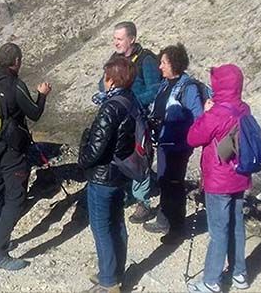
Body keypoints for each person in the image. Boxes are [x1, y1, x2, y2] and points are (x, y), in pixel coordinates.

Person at [0, 43, 51, 271]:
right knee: (15, 199)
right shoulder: (15, 85)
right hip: (12, 152)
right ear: (18, 61)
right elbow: (35, 113)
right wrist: (42, 95)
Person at [186, 64, 252, 293]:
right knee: (236, 226)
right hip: (240, 176)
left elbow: (193, 138)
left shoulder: (216, 113)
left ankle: (211, 281)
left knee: (218, 230)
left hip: (218, 180)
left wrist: (205, 112)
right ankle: (239, 275)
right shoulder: (244, 109)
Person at [79, 56, 139, 293]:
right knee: (117, 223)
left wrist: (82, 161)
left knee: (101, 227)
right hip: (122, 172)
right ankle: (115, 270)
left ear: (112, 81)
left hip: (103, 176)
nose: (103, 81)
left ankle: (108, 282)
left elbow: (96, 148)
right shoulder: (130, 100)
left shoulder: (111, 107)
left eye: (105, 77)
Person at [93, 21, 161, 224]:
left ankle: (142, 201)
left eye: (119, 39)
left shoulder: (146, 60)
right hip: (119, 116)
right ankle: (124, 192)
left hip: (138, 117)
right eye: (114, 39)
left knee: (139, 155)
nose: (116, 43)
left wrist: (133, 102)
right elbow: (103, 81)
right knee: (120, 154)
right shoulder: (115, 59)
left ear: (132, 39)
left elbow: (156, 88)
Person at [142, 43, 204, 244]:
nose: (160, 67)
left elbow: (198, 117)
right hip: (163, 141)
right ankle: (165, 219)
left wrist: (185, 140)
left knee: (174, 184)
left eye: (164, 63)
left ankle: (176, 228)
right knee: (165, 181)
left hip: (178, 145)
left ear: (175, 64)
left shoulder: (189, 88)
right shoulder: (165, 84)